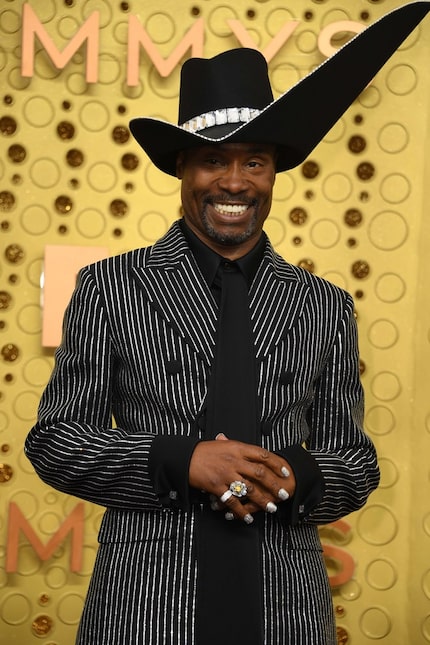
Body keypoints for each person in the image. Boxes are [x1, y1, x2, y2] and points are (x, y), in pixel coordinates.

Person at [25, 3, 430, 644]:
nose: (234, 181)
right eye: (214, 161)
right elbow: (57, 444)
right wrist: (181, 458)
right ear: (182, 168)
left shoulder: (324, 306)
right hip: (145, 609)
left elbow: (354, 462)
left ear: (274, 173)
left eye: (255, 161)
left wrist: (300, 478)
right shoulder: (111, 288)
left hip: (286, 614)